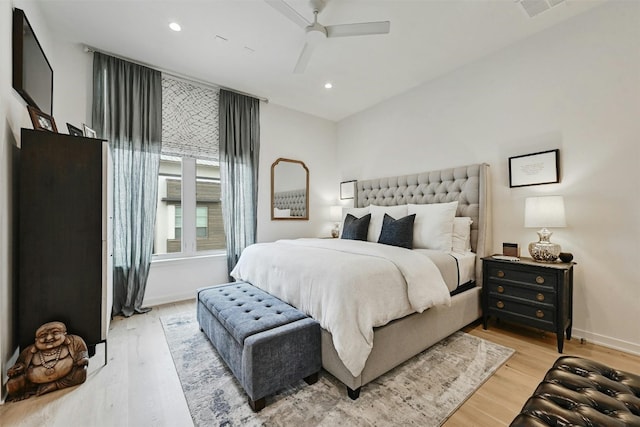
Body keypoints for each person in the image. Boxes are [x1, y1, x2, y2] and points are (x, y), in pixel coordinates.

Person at [7, 321, 89, 401]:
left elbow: (82, 352)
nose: (49, 338)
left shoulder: (74, 341)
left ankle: (54, 385)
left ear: (64, 334)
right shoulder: (29, 351)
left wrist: (82, 358)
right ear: (36, 339)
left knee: (81, 372)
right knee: (13, 383)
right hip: (35, 381)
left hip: (67, 376)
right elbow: (20, 365)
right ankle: (35, 389)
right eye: (43, 335)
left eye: (55, 333)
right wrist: (16, 369)